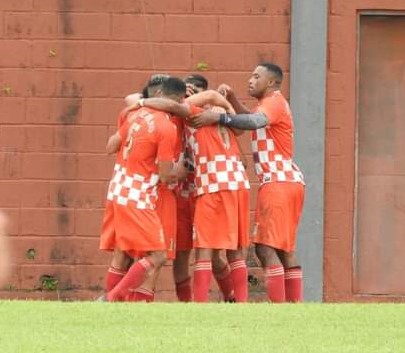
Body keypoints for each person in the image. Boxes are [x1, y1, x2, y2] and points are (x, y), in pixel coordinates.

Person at [191, 63, 305, 303]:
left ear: (272, 82)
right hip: (288, 181)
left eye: (256, 76)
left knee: (265, 248)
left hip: (277, 181)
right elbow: (251, 117)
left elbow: (254, 123)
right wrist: (232, 99)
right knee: (284, 249)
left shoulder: (273, 102)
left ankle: (280, 308)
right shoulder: (270, 103)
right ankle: (294, 308)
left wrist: (220, 115)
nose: (250, 80)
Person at [143, 74, 250, 303]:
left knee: (206, 249)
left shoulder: (192, 111)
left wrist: (142, 103)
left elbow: (207, 96)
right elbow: (239, 129)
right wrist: (227, 109)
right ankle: (238, 302)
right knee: (231, 250)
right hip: (234, 182)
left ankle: (202, 304)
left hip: (213, 184)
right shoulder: (219, 116)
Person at [100, 76, 186, 302]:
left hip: (118, 188)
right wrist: (182, 170)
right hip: (139, 195)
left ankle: (113, 300)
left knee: (123, 251)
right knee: (157, 256)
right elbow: (166, 175)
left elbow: (110, 146)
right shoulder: (167, 127)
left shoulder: (135, 114)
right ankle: (112, 299)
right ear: (177, 100)